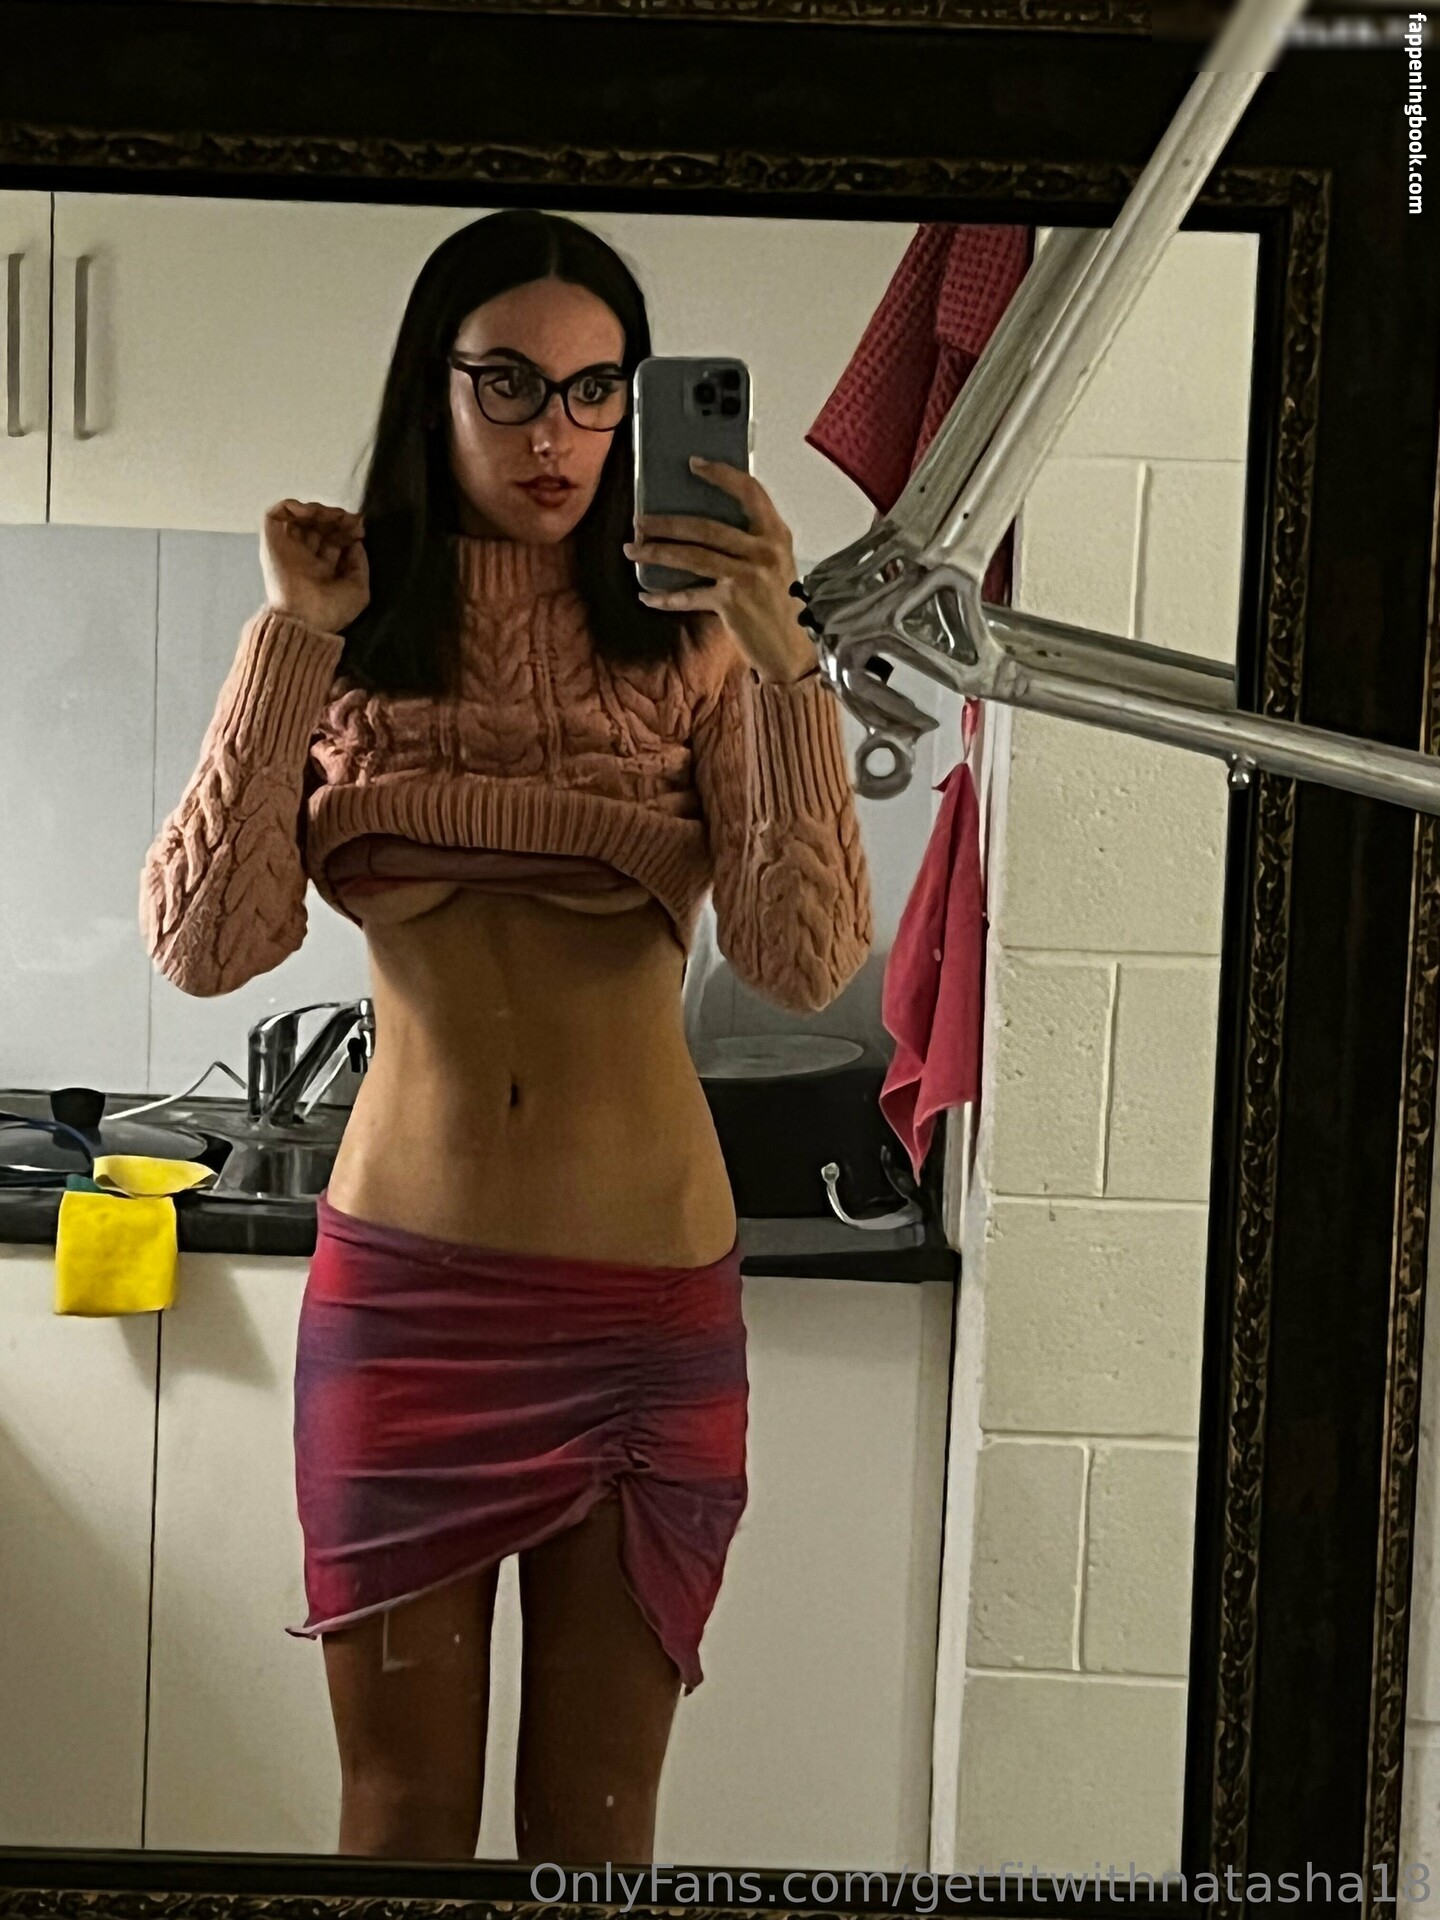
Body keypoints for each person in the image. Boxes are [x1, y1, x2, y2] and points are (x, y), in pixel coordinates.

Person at [140, 209, 872, 1866]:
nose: (558, 435)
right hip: (407, 1304)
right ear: (435, 386)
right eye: (511, 385)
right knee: (398, 1825)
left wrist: (785, 665)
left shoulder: (697, 639)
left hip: (644, 1316)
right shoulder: (346, 635)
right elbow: (204, 945)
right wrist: (290, 635)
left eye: (599, 391)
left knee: (593, 1838)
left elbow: (801, 951)